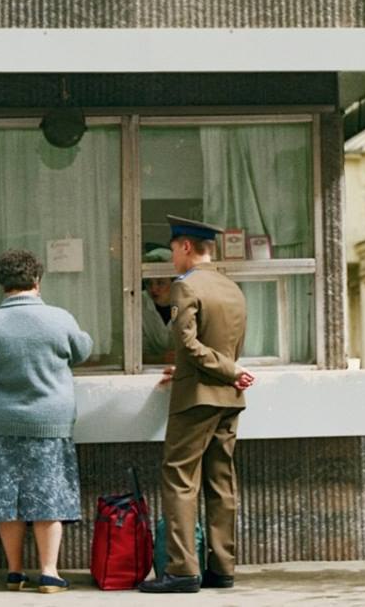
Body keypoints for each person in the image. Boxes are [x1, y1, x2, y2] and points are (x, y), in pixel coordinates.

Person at [140, 216, 254, 595]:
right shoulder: (232, 288)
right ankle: (222, 567)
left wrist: (226, 370)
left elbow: (188, 343)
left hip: (196, 398)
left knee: (179, 478)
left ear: (186, 247)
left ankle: (182, 570)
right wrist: (229, 371)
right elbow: (227, 345)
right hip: (229, 398)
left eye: (174, 249)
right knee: (221, 481)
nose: (173, 257)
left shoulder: (185, 287)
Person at [0, 249, 93, 594]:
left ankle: (14, 572)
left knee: (7, 498)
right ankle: (49, 572)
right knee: (48, 496)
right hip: (50, 421)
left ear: (1, 283)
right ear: (37, 280)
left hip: (2, 421)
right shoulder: (59, 318)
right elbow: (83, 350)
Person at [142, 246, 175, 363]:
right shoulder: (138, 303)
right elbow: (136, 354)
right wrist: (161, 359)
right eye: (148, 282)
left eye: (160, 282)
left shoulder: (190, 302)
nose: (153, 289)